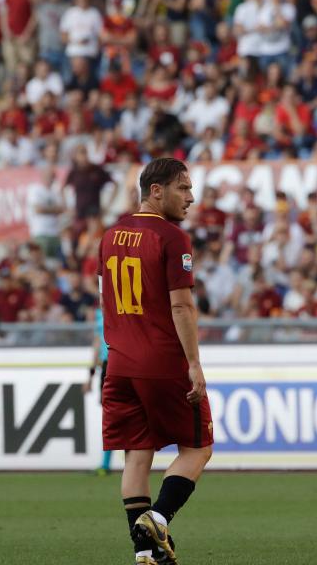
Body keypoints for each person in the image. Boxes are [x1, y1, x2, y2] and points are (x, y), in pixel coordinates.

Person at [98, 157, 212, 565]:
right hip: (161, 361)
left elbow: (104, 301)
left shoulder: (110, 235)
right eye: (183, 188)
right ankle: (159, 518)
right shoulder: (171, 237)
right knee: (198, 449)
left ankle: (144, 552)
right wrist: (194, 363)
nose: (191, 197)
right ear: (156, 191)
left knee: (137, 453)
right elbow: (182, 307)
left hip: (120, 362)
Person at [83, 306, 112, 475]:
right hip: (107, 367)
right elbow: (97, 343)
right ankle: (105, 464)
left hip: (124, 363)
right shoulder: (100, 313)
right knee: (110, 416)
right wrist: (91, 375)